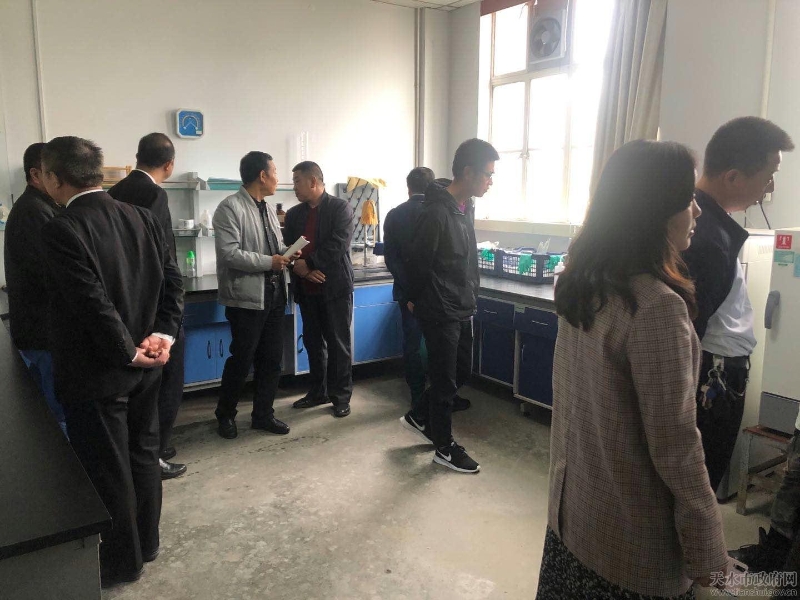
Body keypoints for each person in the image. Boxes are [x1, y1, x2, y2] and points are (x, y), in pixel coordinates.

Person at [536, 140, 728, 599]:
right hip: (630, 544)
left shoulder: (582, 283)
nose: (696, 211)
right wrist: (708, 552)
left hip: (574, 514)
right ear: (653, 210)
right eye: (687, 199)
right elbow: (676, 447)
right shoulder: (655, 307)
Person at [40, 136, 183, 586]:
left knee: (109, 468)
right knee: (143, 453)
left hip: (99, 373)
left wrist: (129, 352)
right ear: (98, 173)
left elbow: (92, 304)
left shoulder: (62, 229)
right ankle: (148, 542)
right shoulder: (143, 217)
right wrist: (161, 337)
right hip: (147, 367)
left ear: (54, 179)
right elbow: (172, 283)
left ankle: (124, 561)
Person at [682, 117, 794, 494]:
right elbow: (686, 333)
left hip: (718, 370)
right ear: (732, 177)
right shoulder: (707, 238)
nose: (770, 187)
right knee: (700, 480)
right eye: (768, 176)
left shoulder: (712, 224)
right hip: (710, 377)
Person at [400, 139, 499, 473]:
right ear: (468, 172)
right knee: (444, 380)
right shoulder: (436, 212)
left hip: (461, 305)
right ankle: (443, 447)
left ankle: (418, 415)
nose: (490, 181)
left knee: (461, 371)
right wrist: (414, 299)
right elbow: (417, 263)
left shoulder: (462, 207)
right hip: (439, 307)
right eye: (487, 174)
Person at [108, 132, 186, 479]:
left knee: (133, 391)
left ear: (137, 156)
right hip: (155, 308)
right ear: (169, 164)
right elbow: (159, 256)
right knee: (165, 382)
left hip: (124, 303)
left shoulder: (114, 191)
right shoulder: (155, 195)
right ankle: (155, 454)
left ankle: (138, 453)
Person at [213, 151, 293, 440]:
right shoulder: (230, 208)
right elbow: (229, 254)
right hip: (246, 298)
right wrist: (269, 262)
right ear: (262, 175)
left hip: (275, 294)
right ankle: (225, 414)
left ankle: (263, 415)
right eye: (275, 172)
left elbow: (274, 245)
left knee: (271, 360)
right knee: (242, 358)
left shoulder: (268, 208)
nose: (277, 178)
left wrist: (288, 253)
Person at [385, 167, 472, 416]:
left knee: (413, 346)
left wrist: (408, 292)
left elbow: (392, 259)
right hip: (442, 298)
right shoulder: (445, 212)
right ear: (434, 185)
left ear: (408, 188)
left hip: (410, 295)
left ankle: (418, 397)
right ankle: (443, 397)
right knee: (444, 352)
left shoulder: (395, 214)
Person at [3, 143, 66, 436]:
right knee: (56, 415)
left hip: (41, 330)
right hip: (42, 332)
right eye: (54, 173)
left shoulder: (42, 207)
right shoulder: (33, 211)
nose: (61, 179)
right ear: (36, 175)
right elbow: (51, 272)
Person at [284, 161, 355, 418]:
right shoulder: (294, 215)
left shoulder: (340, 208)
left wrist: (310, 264)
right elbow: (288, 248)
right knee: (313, 343)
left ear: (313, 181)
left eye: (297, 181)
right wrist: (300, 268)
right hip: (306, 290)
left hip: (334, 288)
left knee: (338, 344)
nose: (294, 187)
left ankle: (341, 397)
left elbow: (338, 244)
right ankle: (317, 392)